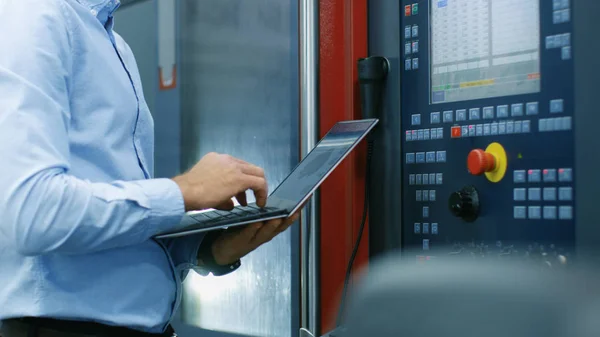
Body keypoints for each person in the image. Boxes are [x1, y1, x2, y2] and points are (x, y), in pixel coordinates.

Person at [0, 1, 299, 336]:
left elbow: (114, 228)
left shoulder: (113, 44)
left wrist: (208, 250)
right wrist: (187, 191)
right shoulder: (34, 15)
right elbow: (33, 213)